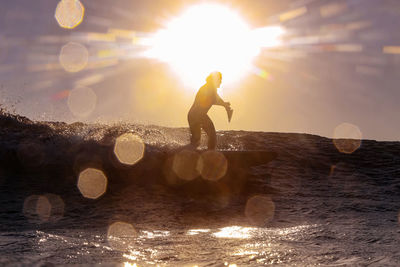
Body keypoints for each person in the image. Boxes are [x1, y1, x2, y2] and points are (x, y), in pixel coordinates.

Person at [187, 71, 232, 150]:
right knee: (212, 135)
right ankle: (210, 154)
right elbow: (212, 100)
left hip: (193, 115)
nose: (221, 82)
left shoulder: (211, 87)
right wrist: (224, 105)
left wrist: (224, 105)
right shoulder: (209, 88)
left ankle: (188, 153)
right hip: (198, 115)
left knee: (196, 141)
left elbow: (216, 98)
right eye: (220, 80)